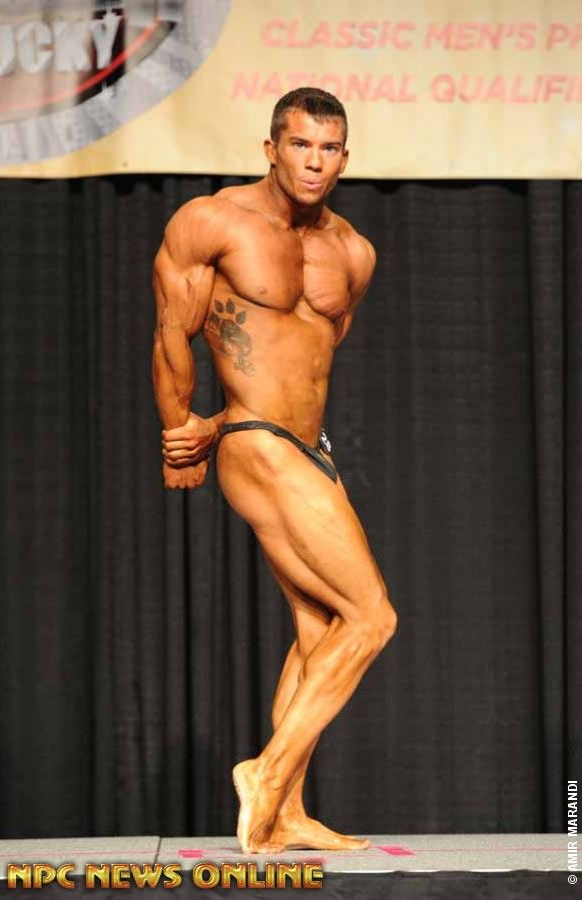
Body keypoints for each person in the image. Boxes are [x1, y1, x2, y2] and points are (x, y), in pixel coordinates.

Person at [152, 88, 398, 853]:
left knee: (322, 627)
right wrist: (181, 431)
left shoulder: (353, 253)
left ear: (345, 159)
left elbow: (312, 358)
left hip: (307, 446)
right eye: (300, 145)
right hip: (256, 443)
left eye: (328, 149)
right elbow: (173, 331)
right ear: (271, 149)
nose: (314, 161)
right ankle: (265, 773)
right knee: (372, 617)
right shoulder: (214, 221)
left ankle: (284, 811)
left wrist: (237, 418)